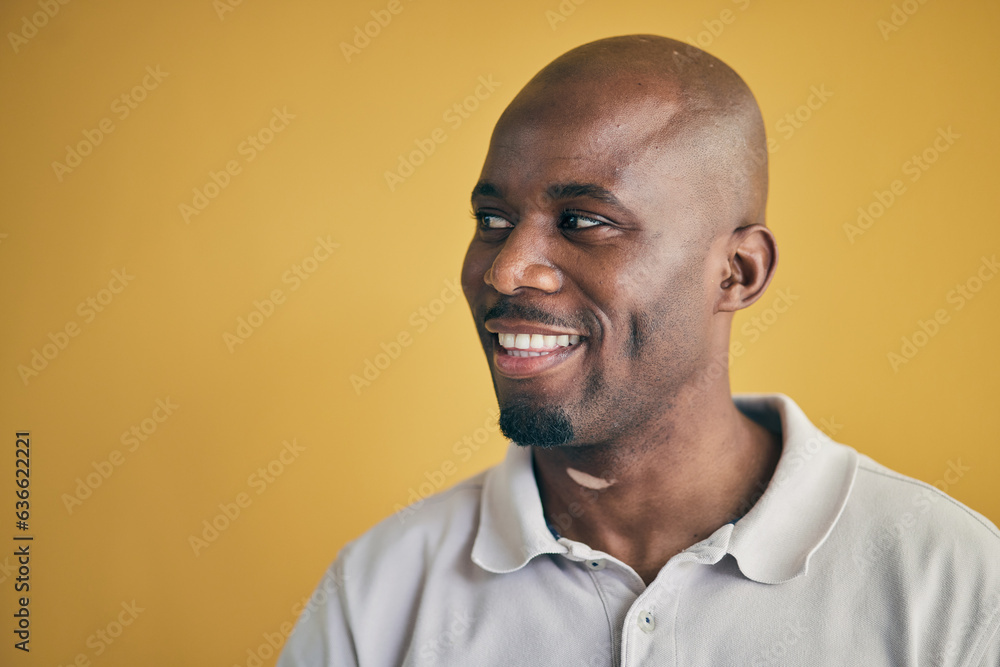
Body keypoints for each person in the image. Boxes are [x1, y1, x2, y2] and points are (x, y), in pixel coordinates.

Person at [278, 35, 1000, 666]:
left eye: (583, 220)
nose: (506, 269)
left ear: (737, 273)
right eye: (492, 219)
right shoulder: (379, 591)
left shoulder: (952, 583)